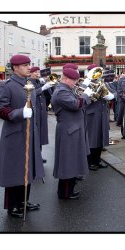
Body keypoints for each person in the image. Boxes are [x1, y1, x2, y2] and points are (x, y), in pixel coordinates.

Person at [0, 54, 45, 218]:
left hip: (30, 133)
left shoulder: (29, 83)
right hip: (15, 134)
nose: (29, 67)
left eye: (29, 64)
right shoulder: (7, 86)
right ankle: (12, 206)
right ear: (15, 68)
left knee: (28, 169)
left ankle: (23, 201)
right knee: (14, 170)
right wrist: (19, 113)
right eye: (25, 65)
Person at [51, 67, 94, 200]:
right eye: (74, 80)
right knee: (67, 162)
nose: (76, 83)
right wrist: (86, 95)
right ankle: (64, 192)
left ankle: (69, 189)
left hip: (73, 129)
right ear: (66, 78)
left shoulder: (67, 89)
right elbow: (76, 104)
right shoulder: (61, 92)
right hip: (68, 131)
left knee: (72, 161)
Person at [84, 64, 114, 171]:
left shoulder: (102, 83)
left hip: (102, 114)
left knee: (100, 138)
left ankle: (97, 160)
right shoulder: (85, 84)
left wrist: (109, 95)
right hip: (91, 114)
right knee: (92, 138)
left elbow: (113, 94)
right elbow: (83, 100)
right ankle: (90, 161)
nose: (98, 75)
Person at [28, 66, 53, 163]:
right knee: (35, 135)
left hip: (42, 112)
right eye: (35, 72)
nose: (38, 73)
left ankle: (39, 156)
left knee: (40, 135)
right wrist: (43, 88)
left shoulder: (39, 82)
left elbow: (49, 96)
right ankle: (33, 157)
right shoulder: (28, 82)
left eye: (38, 71)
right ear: (31, 73)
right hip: (35, 113)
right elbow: (31, 94)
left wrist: (48, 85)